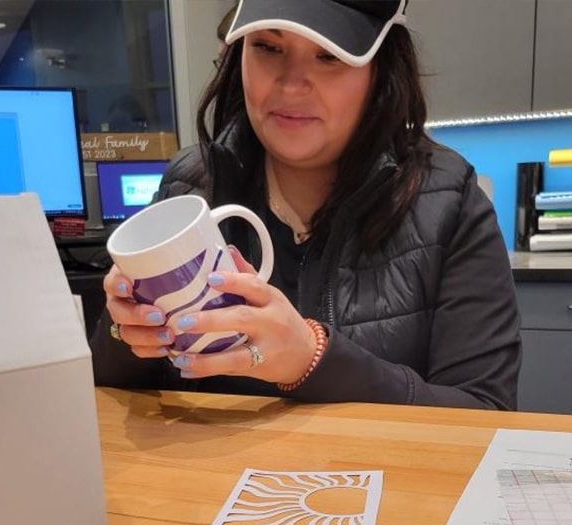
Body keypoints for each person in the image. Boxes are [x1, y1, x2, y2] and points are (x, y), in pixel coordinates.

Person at [90, 0, 522, 409]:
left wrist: (314, 360)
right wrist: (124, 330)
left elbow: (485, 413)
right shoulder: (189, 185)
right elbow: (114, 393)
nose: (291, 84)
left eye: (329, 56)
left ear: (381, 69)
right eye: (268, 47)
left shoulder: (449, 201)